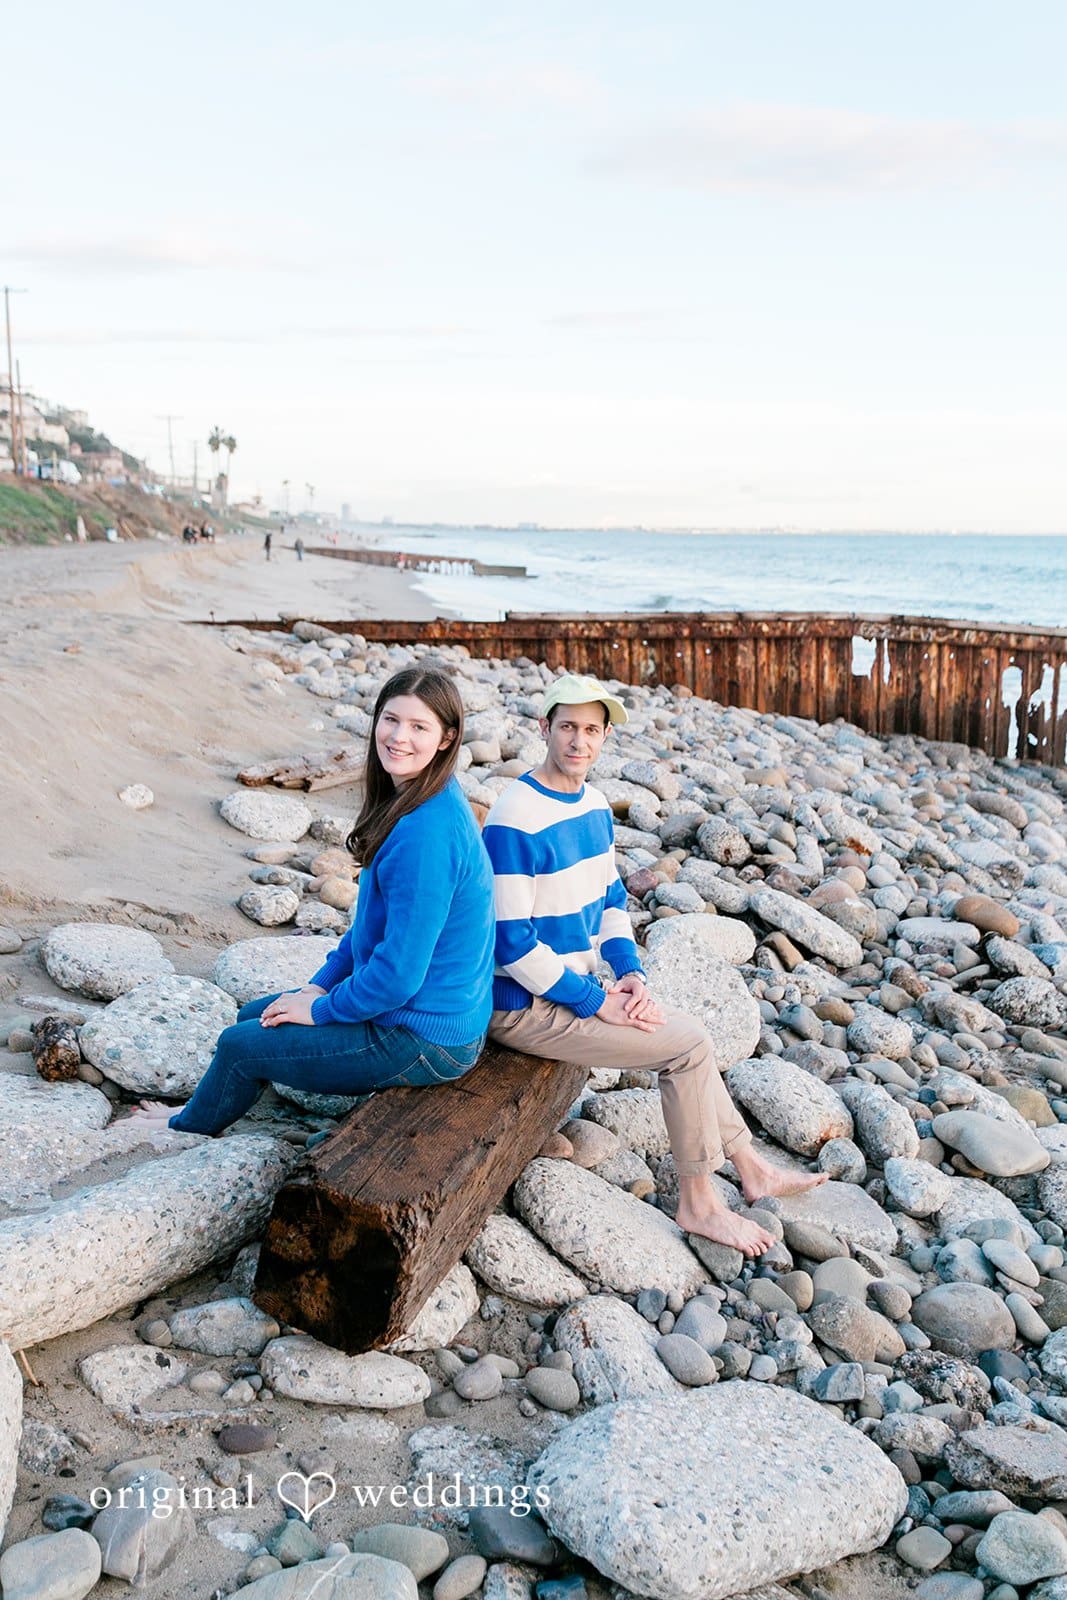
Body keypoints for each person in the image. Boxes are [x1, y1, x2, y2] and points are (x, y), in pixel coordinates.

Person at [482, 672, 826, 1257]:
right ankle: (699, 1205)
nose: (578, 741)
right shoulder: (515, 815)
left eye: (591, 730)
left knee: (687, 1033)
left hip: (571, 987)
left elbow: (611, 902)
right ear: (544, 729)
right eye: (567, 727)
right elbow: (510, 945)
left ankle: (751, 1169)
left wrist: (630, 975)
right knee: (686, 1045)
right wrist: (595, 1002)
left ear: (605, 736)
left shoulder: (591, 804)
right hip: (521, 1006)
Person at [131, 668, 495, 1136]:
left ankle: (182, 1128)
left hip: (426, 1038)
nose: (399, 737)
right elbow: (371, 933)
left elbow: (399, 976)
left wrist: (322, 1011)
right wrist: (318, 987)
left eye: (419, 727)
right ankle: (233, 1095)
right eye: (391, 719)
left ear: (446, 739)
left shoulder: (427, 835)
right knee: (254, 1017)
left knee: (240, 1047)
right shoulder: (424, 796)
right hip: (420, 1013)